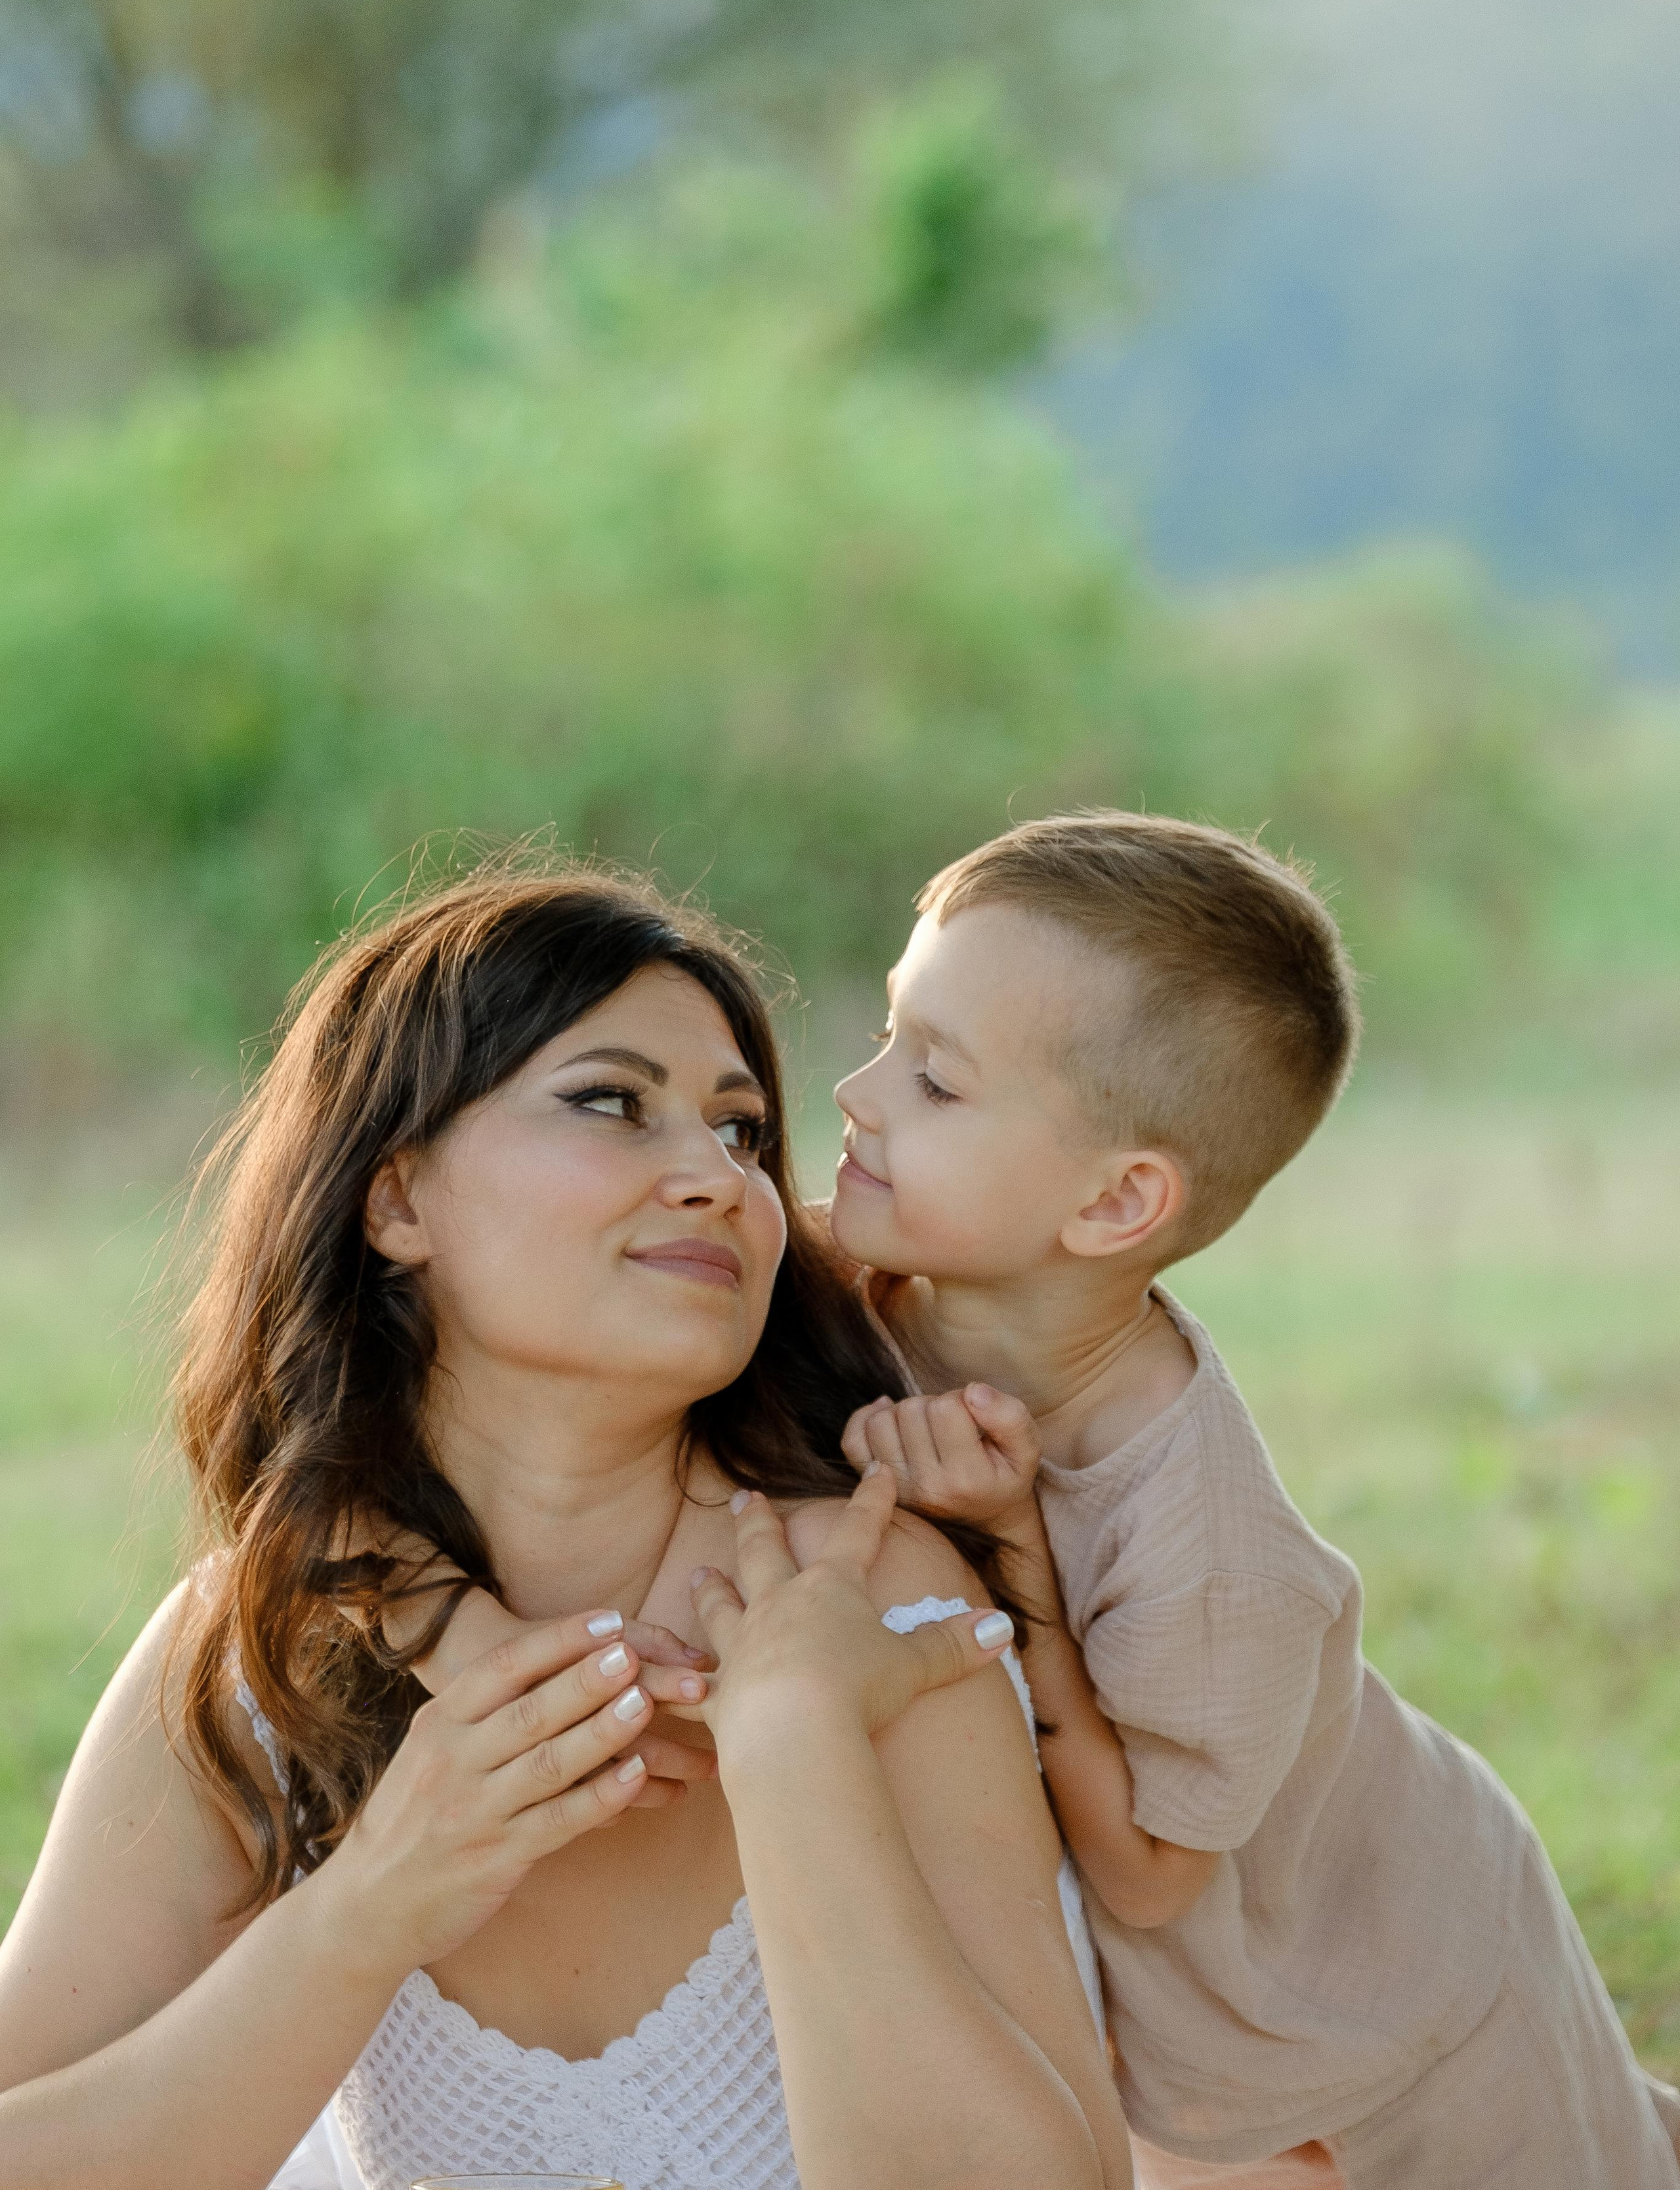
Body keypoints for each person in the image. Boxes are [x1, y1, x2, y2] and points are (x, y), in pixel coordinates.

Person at [0, 862, 1127, 2190]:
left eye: (740, 1131)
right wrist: (374, 1906)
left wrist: (792, 1746)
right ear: (396, 1198)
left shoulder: (867, 1601)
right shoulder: (263, 1644)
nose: (714, 1176)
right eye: (612, 1104)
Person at [814, 809, 1680, 2189]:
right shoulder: (868, 1292)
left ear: (1113, 1205)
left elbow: (1156, 1877)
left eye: (935, 1078)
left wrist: (1015, 1556)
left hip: (1392, 1990)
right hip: (1198, 2027)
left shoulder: (1208, 1550)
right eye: (884, 1032)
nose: (856, 1093)